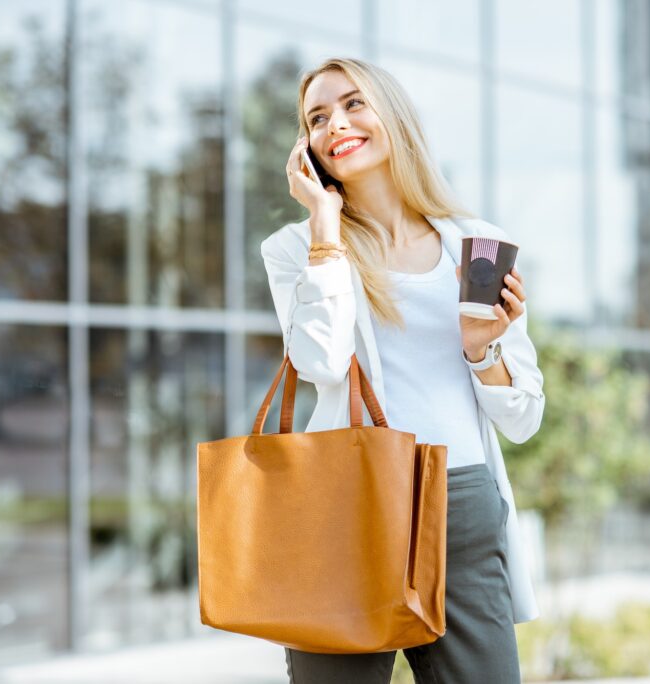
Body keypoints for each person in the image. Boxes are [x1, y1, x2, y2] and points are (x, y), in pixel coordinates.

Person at [260, 56, 545, 684]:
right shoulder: (294, 247)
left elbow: (524, 418)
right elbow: (320, 360)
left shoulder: (479, 244)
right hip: (346, 509)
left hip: (461, 503)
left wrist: (483, 348)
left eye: (353, 104)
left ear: (393, 115)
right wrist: (325, 230)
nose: (335, 124)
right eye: (317, 118)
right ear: (305, 149)